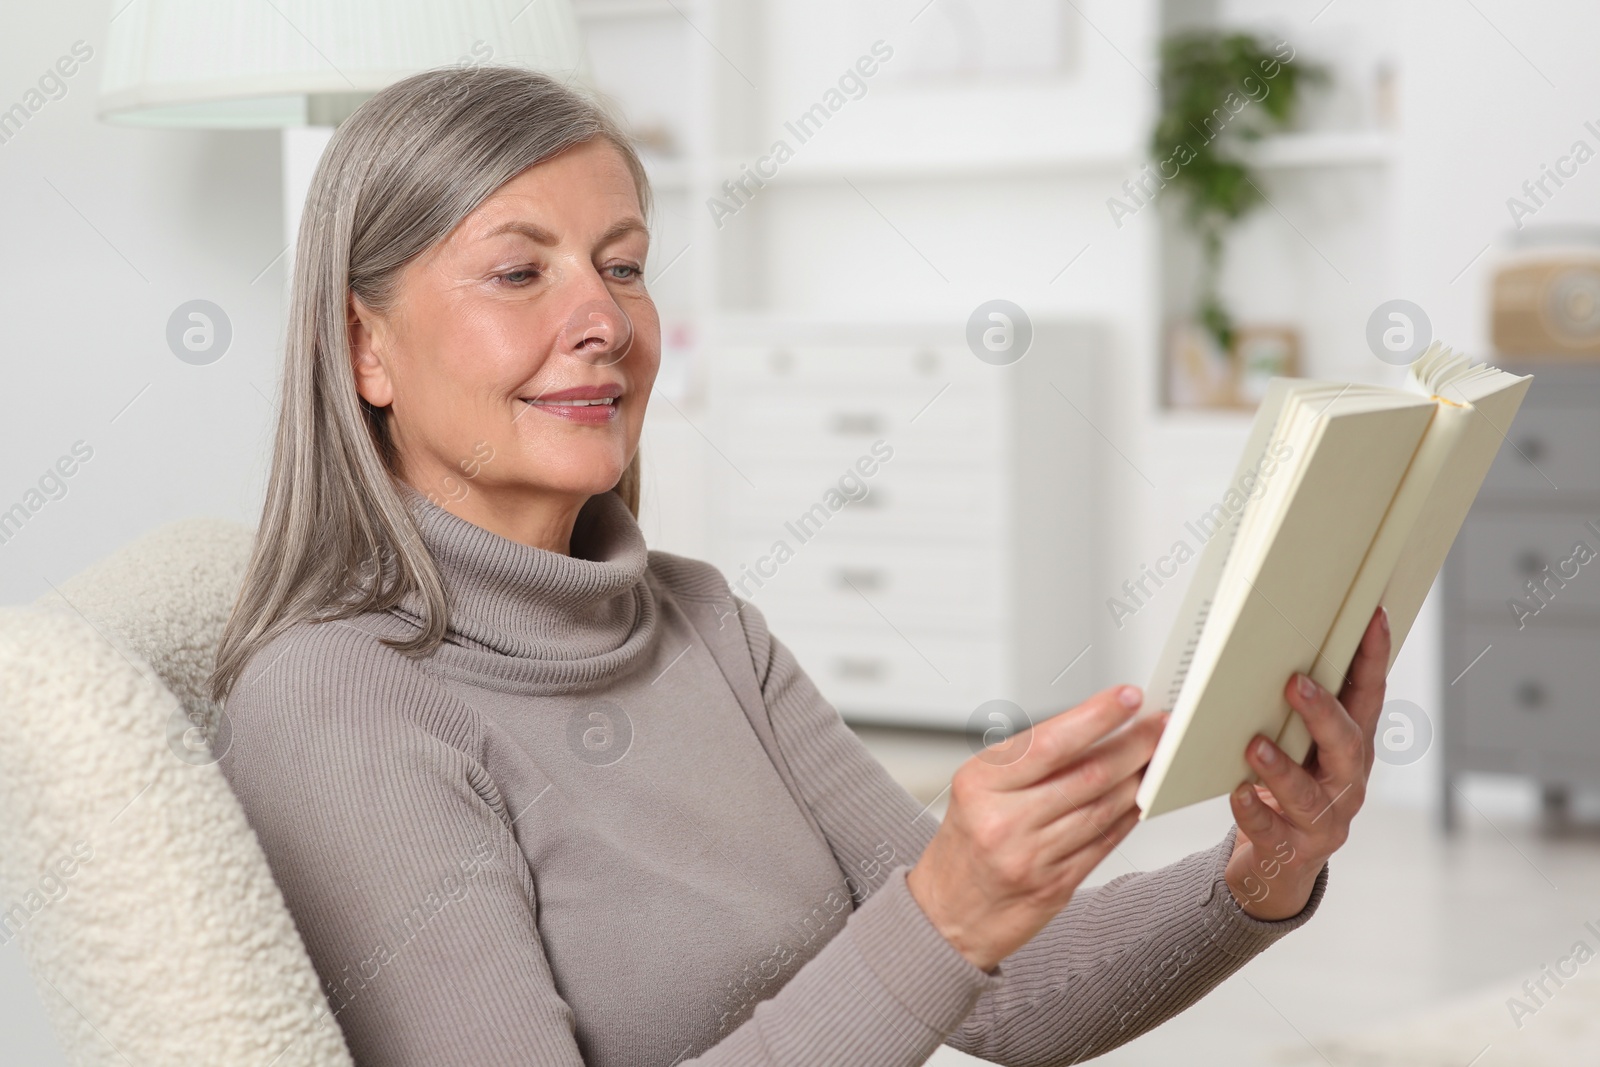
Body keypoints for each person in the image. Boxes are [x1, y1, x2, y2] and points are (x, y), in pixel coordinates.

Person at [211, 64, 1390, 1066]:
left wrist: (1262, 865)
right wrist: (939, 916)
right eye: (520, 272)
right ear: (365, 346)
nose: (605, 321)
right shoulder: (341, 698)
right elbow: (939, 941)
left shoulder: (703, 621)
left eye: (622, 265)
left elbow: (1009, 994)